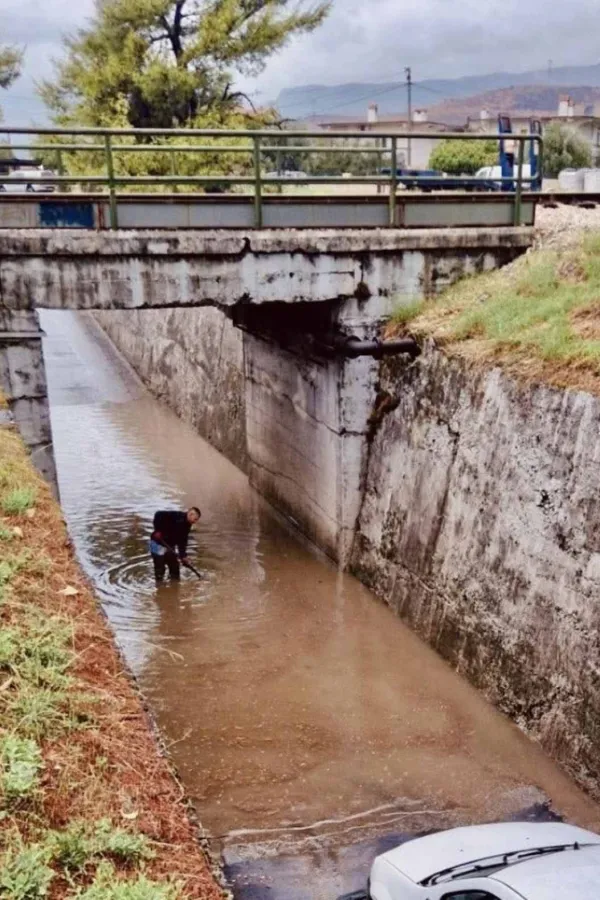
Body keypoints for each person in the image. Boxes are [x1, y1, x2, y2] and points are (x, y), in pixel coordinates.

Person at [149, 507, 201, 583]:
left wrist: (183, 556)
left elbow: (183, 541)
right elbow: (158, 514)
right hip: (157, 543)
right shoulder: (176, 515)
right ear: (190, 514)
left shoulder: (188, 525)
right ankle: (160, 587)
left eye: (196, 520)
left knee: (175, 569)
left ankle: (175, 586)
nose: (195, 522)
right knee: (160, 570)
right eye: (195, 519)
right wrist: (158, 530)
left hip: (170, 545)